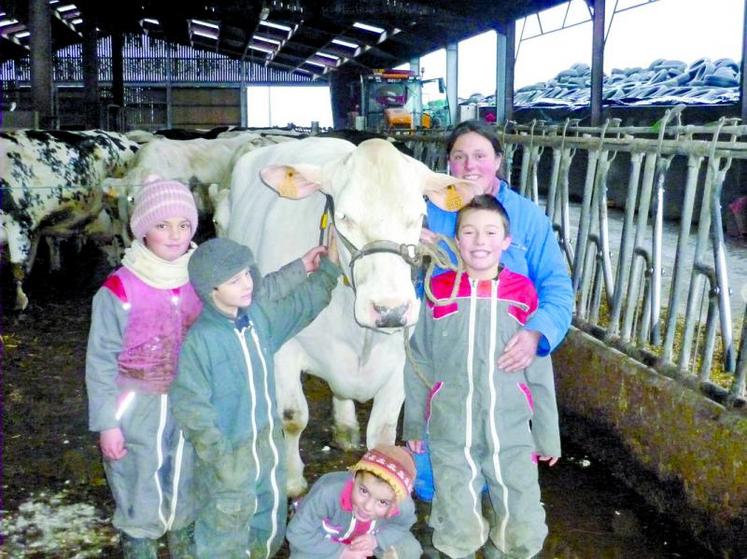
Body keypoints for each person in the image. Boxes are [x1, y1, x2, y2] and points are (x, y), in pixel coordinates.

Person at [405, 195, 561, 559]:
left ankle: (508, 549)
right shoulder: (438, 292)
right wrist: (414, 423)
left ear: (506, 241)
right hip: (450, 427)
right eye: (470, 232)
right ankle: (456, 547)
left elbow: (539, 368)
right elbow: (419, 360)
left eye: (491, 232)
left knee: (522, 511)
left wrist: (546, 433)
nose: (480, 241)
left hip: (511, 429)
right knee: (455, 513)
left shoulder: (523, 294)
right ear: (457, 240)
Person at [169, 236, 341, 559]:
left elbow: (304, 303)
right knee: (225, 536)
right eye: (234, 281)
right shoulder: (201, 341)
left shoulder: (258, 321)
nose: (247, 284)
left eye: (247, 274)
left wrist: (328, 270)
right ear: (211, 291)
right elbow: (190, 405)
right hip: (228, 459)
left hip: (268, 451)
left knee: (269, 526)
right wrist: (220, 456)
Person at [85, 175, 202, 558]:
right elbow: (100, 360)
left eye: (183, 225)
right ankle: (140, 540)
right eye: (162, 225)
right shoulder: (119, 289)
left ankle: (181, 535)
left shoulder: (201, 281)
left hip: (187, 398)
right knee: (138, 473)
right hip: (135, 403)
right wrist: (107, 423)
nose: (174, 235)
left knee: (186, 469)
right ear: (142, 229)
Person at [423, 119, 573, 369]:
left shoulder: (528, 217)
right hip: (443, 348)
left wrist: (536, 333)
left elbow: (556, 285)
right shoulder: (428, 213)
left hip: (508, 349)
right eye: (460, 157)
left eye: (480, 155)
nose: (470, 165)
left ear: (497, 161)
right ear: (449, 163)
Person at [286, 445, 422, 559]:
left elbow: (402, 525)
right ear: (354, 477)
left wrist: (377, 540)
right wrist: (341, 552)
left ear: (395, 503)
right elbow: (297, 533)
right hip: (324, 539)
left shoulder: (403, 505)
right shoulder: (328, 493)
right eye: (363, 491)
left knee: (410, 549)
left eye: (382, 502)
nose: (367, 506)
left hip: (368, 539)